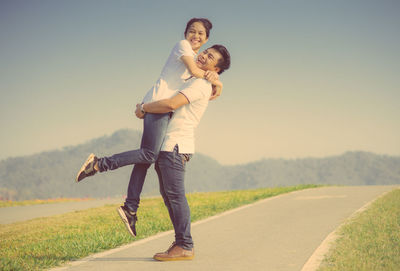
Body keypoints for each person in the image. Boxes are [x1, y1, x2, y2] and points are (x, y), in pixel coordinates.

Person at [75, 18, 222, 237]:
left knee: (145, 159)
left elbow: (202, 94)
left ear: (207, 39)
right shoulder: (183, 48)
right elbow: (197, 74)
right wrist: (217, 80)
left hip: (161, 109)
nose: (195, 36)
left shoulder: (199, 63)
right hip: (158, 105)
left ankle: (130, 208)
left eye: (201, 34)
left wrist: (215, 81)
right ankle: (99, 164)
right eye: (192, 31)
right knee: (148, 154)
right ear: (185, 33)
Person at [134, 45, 231, 261]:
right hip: (169, 146)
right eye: (205, 52)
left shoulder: (200, 84)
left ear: (215, 68)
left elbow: (171, 104)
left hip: (175, 146)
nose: (203, 55)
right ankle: (181, 243)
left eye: (210, 57)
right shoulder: (195, 80)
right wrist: (219, 84)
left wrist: (144, 108)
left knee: (175, 197)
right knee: (170, 198)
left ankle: (185, 245)